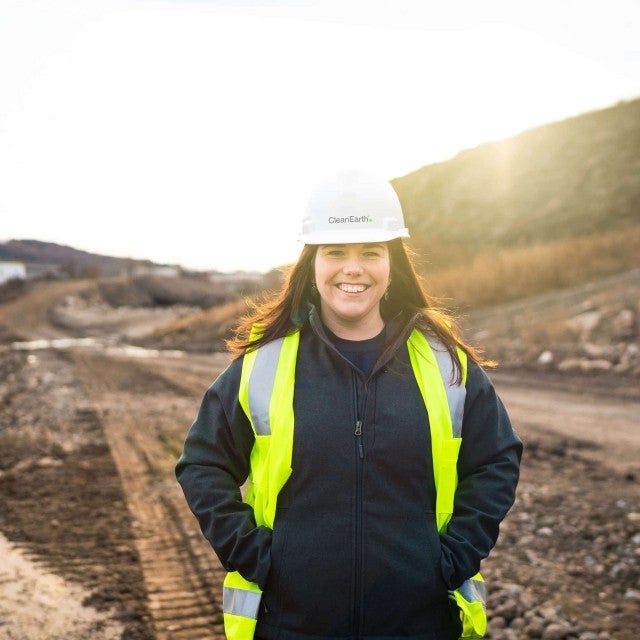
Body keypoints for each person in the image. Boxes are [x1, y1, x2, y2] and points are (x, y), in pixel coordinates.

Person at [175, 169, 522, 640]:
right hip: (293, 625)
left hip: (419, 625)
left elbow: (496, 459)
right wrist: (258, 557)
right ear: (312, 264)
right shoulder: (265, 364)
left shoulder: (446, 363)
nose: (352, 268)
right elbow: (202, 463)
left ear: (392, 263)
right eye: (335, 252)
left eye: (370, 252)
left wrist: (453, 556)